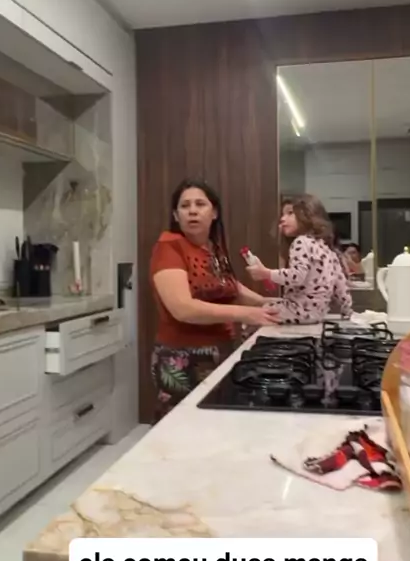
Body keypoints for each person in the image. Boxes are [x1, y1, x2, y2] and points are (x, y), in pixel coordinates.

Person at [150, 179, 278, 418]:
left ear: (214, 212)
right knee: (184, 428)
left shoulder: (213, 248)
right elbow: (183, 308)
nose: (193, 211)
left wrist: (269, 304)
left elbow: (231, 288)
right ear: (176, 215)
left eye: (200, 204)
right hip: (183, 357)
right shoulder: (169, 248)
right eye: (185, 206)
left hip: (222, 350)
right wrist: (246, 314)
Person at [246, 194, 353, 323]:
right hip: (317, 315)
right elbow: (341, 287)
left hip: (297, 311)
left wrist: (266, 273)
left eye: (290, 213)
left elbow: (296, 277)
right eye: (282, 214)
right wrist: (348, 311)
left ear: (307, 215)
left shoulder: (301, 242)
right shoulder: (327, 249)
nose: (282, 219)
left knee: (253, 314)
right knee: (267, 305)